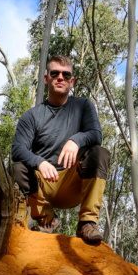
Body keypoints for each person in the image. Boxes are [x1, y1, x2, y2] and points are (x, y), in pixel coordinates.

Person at [11, 54, 110, 244]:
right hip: (42, 185)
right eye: (55, 73)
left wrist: (76, 140)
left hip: (73, 183)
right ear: (46, 78)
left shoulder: (83, 106)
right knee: (17, 168)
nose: (60, 78)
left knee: (100, 153)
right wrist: (39, 162)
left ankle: (86, 224)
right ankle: (45, 221)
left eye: (66, 75)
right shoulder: (31, 116)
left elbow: (96, 134)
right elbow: (17, 149)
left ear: (71, 82)